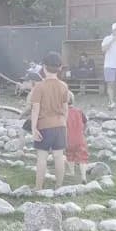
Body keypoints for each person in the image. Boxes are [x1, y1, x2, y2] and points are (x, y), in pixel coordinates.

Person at [31, 52, 70, 190]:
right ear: (60, 68)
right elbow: (66, 108)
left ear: (44, 67)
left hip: (44, 126)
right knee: (59, 157)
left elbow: (35, 109)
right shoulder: (64, 86)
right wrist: (63, 123)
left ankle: (38, 187)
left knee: (42, 158)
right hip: (60, 125)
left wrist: (33, 128)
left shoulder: (39, 87)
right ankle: (58, 186)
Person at [65, 92, 89, 184]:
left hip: (68, 139)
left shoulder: (63, 112)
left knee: (69, 155)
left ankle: (72, 172)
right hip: (80, 138)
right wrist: (84, 131)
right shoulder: (79, 111)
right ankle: (83, 177)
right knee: (83, 157)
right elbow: (85, 122)